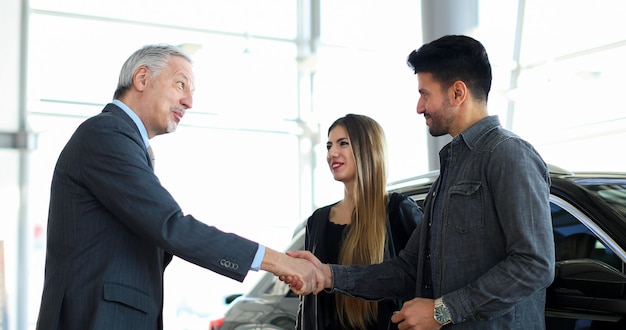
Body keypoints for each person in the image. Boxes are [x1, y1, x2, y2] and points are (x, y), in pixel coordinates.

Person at [35, 44, 323, 330]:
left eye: (191, 92)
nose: (188, 102)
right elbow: (171, 226)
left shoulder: (123, 141)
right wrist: (279, 262)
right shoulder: (106, 134)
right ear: (142, 79)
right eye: (180, 84)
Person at [284, 35, 555, 329]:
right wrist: (328, 275)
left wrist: (443, 311)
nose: (419, 106)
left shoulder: (509, 155)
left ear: (457, 93)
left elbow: (534, 265)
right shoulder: (452, 169)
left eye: (425, 93)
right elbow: (409, 270)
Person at [298, 114, 423, 330]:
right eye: (329, 146)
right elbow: (308, 305)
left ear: (368, 148)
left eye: (343, 143)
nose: (332, 153)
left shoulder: (398, 210)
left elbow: (425, 279)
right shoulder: (317, 221)